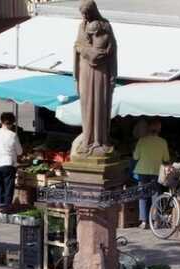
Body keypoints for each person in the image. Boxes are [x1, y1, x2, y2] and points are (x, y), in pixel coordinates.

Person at [73, 0, 117, 156]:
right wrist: (85, 51)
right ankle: (88, 139)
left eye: (87, 12)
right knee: (86, 103)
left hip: (101, 71)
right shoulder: (81, 26)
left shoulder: (105, 25)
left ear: (93, 10)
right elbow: (77, 45)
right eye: (83, 13)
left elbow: (111, 49)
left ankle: (100, 139)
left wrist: (93, 53)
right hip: (85, 69)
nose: (85, 16)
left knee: (100, 103)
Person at [133, 118, 171, 229]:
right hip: (156, 171)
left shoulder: (142, 140)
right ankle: (156, 221)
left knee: (143, 196)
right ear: (159, 130)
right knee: (156, 195)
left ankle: (144, 222)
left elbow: (136, 157)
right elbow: (166, 158)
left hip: (142, 171)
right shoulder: (163, 142)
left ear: (149, 128)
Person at [0, 112, 23, 212]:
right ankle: (6, 207)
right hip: (8, 164)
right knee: (8, 186)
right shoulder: (13, 135)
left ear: (1, 121)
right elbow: (20, 152)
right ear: (12, 123)